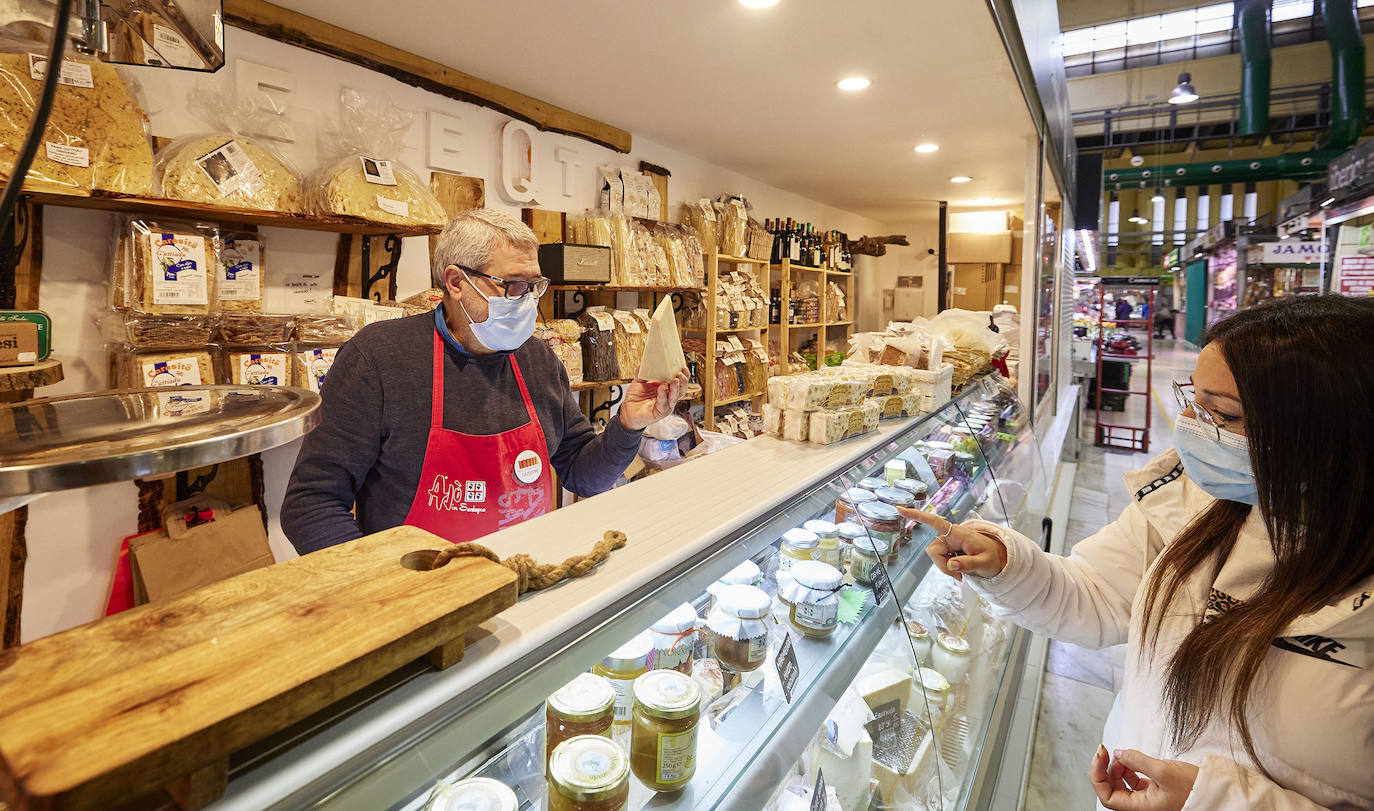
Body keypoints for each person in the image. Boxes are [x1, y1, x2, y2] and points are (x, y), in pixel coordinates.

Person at [913, 295, 1374, 810]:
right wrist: (1004, 563)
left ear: (1338, 433)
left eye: (1222, 414)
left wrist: (1212, 802)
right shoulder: (1201, 505)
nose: (1194, 428)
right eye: (1195, 402)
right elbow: (1099, 595)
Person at [282, 209, 688, 554]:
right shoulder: (379, 359)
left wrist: (629, 424)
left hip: (526, 577)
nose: (528, 301)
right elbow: (311, 504)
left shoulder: (539, 361)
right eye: (512, 286)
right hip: (420, 599)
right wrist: (382, 589)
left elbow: (584, 474)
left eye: (534, 287)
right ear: (457, 282)